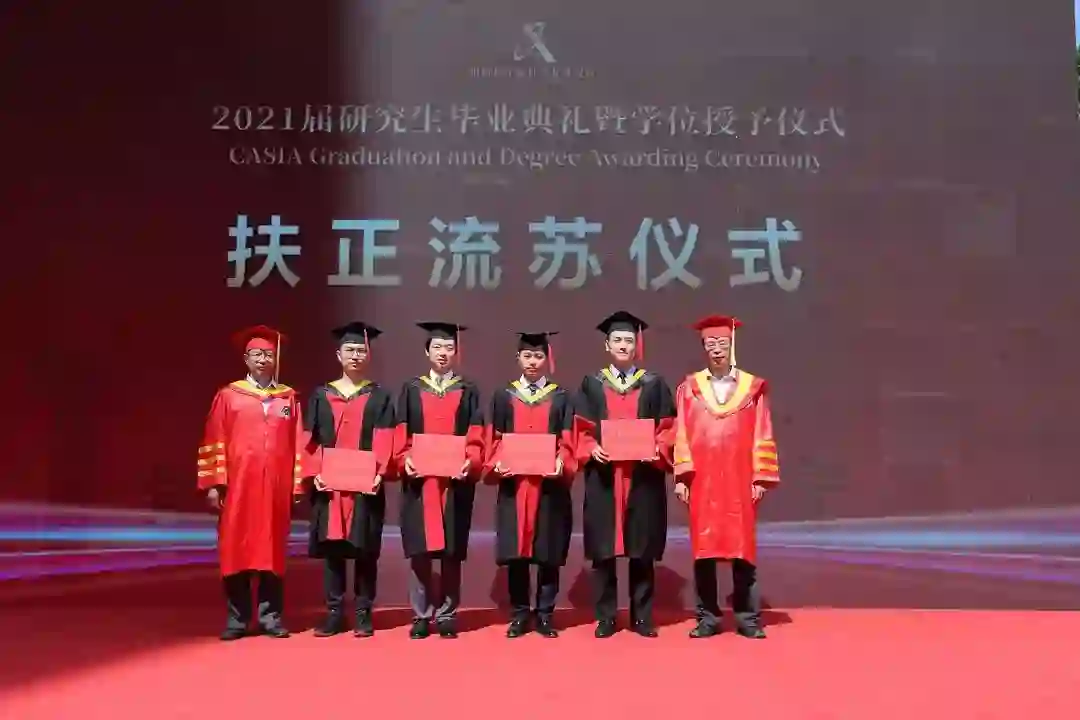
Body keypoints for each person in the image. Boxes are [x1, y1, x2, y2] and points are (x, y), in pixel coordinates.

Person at [672, 315, 779, 640]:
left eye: (722, 342)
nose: (717, 348)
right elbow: (681, 433)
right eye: (711, 343)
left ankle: (748, 618)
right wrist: (681, 476)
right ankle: (707, 617)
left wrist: (760, 477)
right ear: (703, 347)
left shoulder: (752, 388)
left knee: (742, 548)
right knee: (704, 550)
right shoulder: (689, 388)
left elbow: (762, 431)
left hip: (739, 476)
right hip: (701, 478)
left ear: (732, 345)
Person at [572, 311, 676, 638]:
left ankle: (642, 617)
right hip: (604, 477)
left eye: (628, 340)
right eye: (617, 340)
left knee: (641, 550)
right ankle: (606, 617)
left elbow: (668, 427)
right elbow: (580, 428)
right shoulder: (592, 384)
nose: (622, 345)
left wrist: (657, 448)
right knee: (604, 551)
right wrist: (591, 448)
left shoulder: (654, 383)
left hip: (642, 477)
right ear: (607, 345)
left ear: (637, 345)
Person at [198, 325, 301, 641]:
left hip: (275, 488)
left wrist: (297, 485)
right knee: (236, 550)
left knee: (273, 552)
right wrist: (214, 483)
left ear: (276, 358)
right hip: (239, 487)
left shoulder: (288, 398)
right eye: (257, 354)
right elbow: (214, 439)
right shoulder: (228, 396)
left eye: (268, 354)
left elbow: (299, 444)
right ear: (246, 359)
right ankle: (238, 619)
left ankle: (271, 618)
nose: (263, 359)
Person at [300, 322, 397, 638]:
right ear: (338, 355)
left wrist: (379, 472)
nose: (355, 355)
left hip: (365, 485)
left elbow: (386, 437)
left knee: (365, 550)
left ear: (367, 356)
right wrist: (314, 472)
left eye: (360, 351)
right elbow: (309, 437)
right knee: (333, 551)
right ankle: (334, 613)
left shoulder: (379, 396)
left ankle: (363, 613)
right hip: (330, 486)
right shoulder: (321, 395)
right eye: (350, 350)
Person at [396, 322, 485, 639]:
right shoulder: (411, 389)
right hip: (419, 483)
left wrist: (470, 460)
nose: (443, 353)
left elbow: (476, 434)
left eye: (449, 347)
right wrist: (404, 458)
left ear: (456, 352)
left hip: (454, 483)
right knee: (419, 551)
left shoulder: (468, 390)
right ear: (427, 352)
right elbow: (401, 433)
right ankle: (420, 615)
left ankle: (447, 613)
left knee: (451, 551)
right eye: (437, 347)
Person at [484, 332, 575, 639]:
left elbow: (568, 439)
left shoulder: (561, 397)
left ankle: (545, 614)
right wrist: (496, 461)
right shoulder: (503, 396)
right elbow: (494, 438)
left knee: (549, 553)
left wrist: (562, 460)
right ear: (518, 359)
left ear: (546, 359)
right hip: (515, 486)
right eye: (527, 356)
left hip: (549, 488)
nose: (533, 362)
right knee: (516, 555)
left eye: (538, 356)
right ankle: (520, 614)